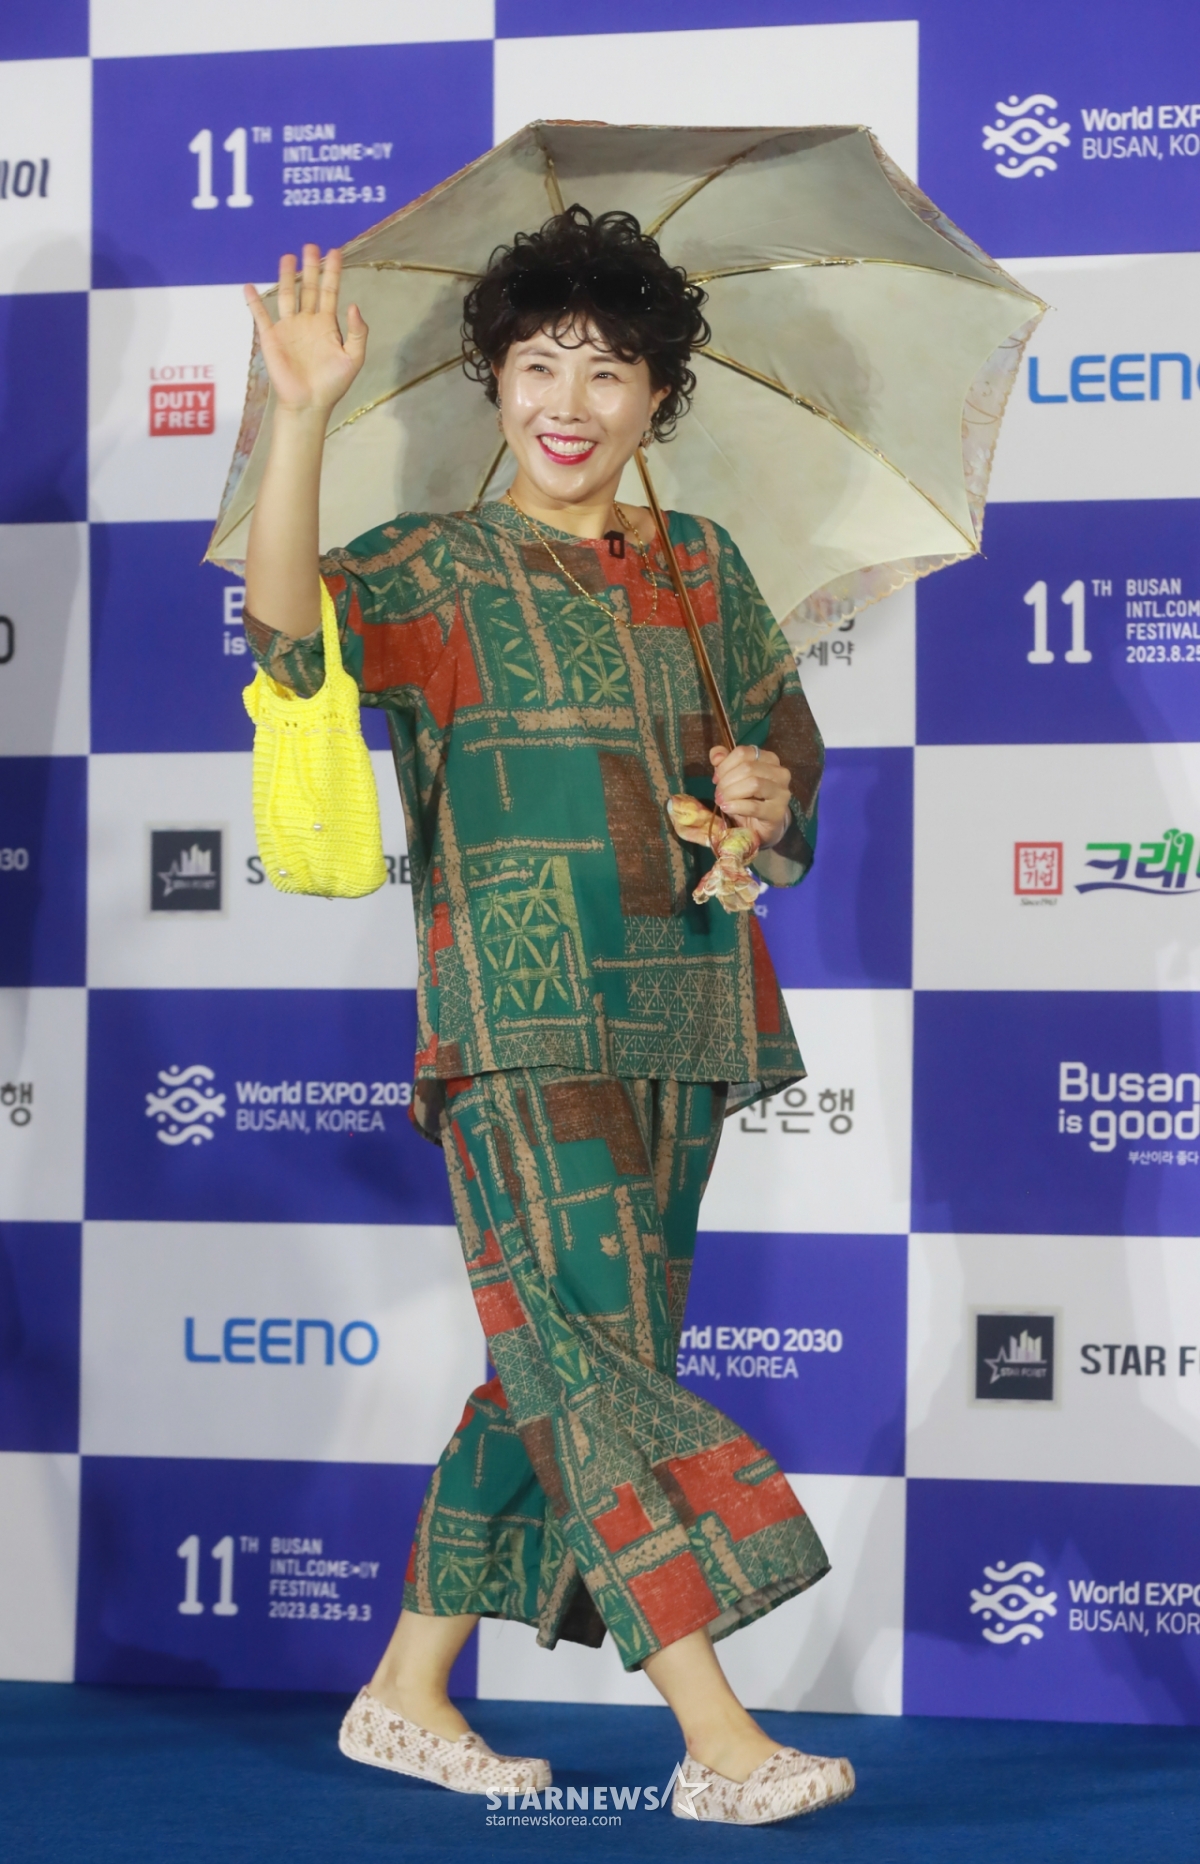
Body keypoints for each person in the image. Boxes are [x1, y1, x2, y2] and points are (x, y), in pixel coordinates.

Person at [241, 206, 853, 1827]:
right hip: (513, 1017)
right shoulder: (431, 567)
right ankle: (717, 1737)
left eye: (608, 370)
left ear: (659, 398)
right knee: (588, 1360)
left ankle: (404, 1691)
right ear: (495, 384)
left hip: (688, 1013)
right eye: (536, 366)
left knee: (569, 1361)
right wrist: (299, 415)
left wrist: (761, 795)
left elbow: (785, 760)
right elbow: (288, 642)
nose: (568, 402)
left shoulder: (700, 563)